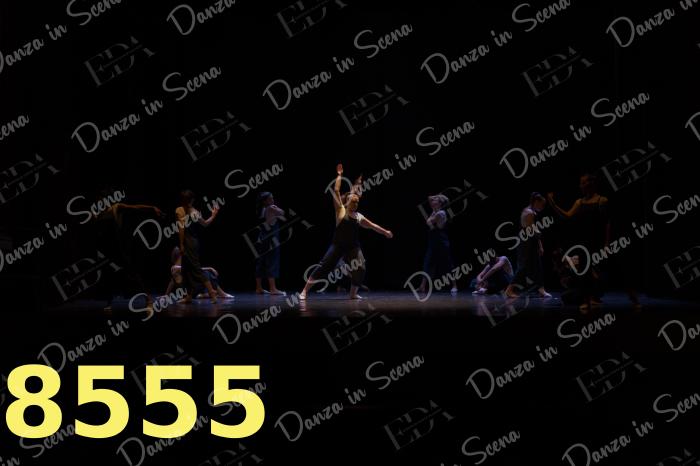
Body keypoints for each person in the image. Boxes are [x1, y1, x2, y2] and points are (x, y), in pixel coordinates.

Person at [299, 164, 393, 300]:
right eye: (352, 201)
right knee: (323, 266)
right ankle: (304, 291)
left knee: (361, 267)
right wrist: (339, 175)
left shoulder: (359, 216)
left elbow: (372, 226)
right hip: (337, 245)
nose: (355, 203)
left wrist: (385, 232)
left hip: (352, 247)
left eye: (356, 202)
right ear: (347, 202)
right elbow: (336, 190)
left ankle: (353, 294)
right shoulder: (341, 211)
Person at [548, 174, 612, 309]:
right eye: (580, 183)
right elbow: (567, 216)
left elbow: (607, 223)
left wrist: (607, 243)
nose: (580, 185)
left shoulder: (602, 200)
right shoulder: (580, 202)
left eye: (583, 182)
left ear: (591, 183)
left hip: (597, 241)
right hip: (584, 241)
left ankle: (597, 297)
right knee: (584, 271)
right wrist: (553, 204)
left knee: (597, 270)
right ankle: (587, 300)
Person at [91, 191, 163, 310]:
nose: (100, 203)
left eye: (102, 201)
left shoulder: (116, 207)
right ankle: (109, 302)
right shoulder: (98, 215)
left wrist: (151, 208)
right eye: (98, 202)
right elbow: (98, 234)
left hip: (118, 248)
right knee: (108, 276)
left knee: (133, 273)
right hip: (106, 250)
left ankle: (148, 298)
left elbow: (135, 207)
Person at [176, 190, 220, 304]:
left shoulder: (180, 210)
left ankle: (212, 293)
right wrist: (213, 215)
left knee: (196, 269)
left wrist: (181, 244)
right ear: (192, 200)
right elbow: (205, 223)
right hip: (194, 242)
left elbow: (181, 229)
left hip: (188, 243)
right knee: (186, 269)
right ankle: (189, 296)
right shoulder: (194, 212)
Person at [505, 193, 551, 298]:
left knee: (537, 266)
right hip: (526, 242)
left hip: (529, 240)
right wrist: (540, 243)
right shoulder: (529, 212)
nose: (542, 207)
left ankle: (541, 289)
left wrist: (539, 244)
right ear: (536, 202)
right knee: (523, 267)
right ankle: (509, 289)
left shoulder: (529, 211)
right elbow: (532, 230)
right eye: (542, 204)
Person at [419, 194, 457, 294]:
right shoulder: (435, 211)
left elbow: (428, 222)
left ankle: (454, 285)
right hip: (433, 240)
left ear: (440, 203)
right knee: (428, 262)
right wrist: (436, 197)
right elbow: (429, 198)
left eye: (435, 200)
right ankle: (422, 286)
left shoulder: (440, 213)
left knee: (448, 263)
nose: (432, 201)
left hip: (441, 240)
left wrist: (429, 221)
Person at [163, 246, 233, 299]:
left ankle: (204, 294)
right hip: (187, 293)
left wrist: (166, 295)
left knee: (202, 277)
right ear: (181, 255)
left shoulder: (179, 266)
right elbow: (194, 269)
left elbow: (171, 282)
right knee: (206, 273)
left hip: (191, 291)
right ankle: (222, 294)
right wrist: (210, 268)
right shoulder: (175, 268)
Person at [254, 192, 286, 295]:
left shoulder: (261, 209)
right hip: (271, 239)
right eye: (270, 199)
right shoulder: (271, 208)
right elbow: (282, 213)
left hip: (261, 238)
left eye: (273, 198)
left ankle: (258, 288)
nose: (273, 200)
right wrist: (276, 207)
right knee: (272, 262)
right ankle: (273, 288)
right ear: (265, 201)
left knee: (261, 262)